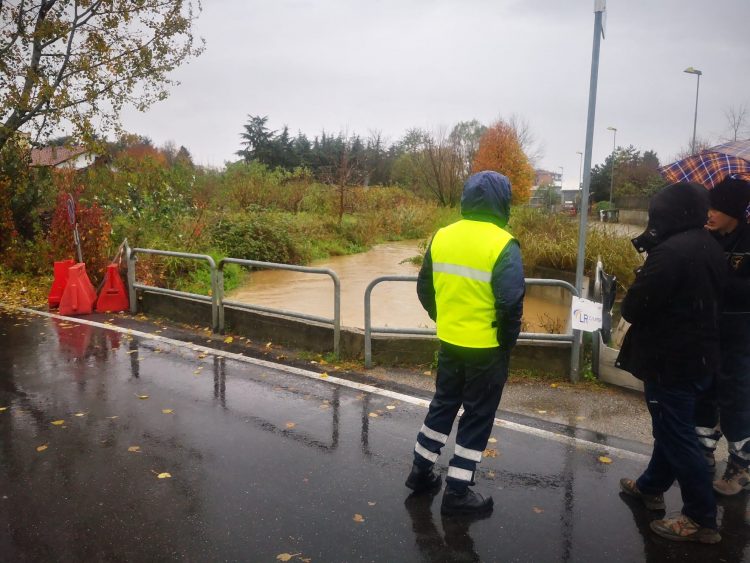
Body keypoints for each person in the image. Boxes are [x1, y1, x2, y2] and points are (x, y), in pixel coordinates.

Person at [404, 170, 524, 516]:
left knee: (442, 404)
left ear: (466, 198)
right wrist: (506, 341)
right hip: (487, 350)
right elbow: (510, 301)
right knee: (477, 416)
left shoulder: (442, 236)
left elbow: (424, 289)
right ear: (504, 202)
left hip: (450, 342)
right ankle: (457, 492)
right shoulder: (503, 243)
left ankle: (420, 471)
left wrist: (445, 320)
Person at [615, 182, 726, 544]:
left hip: (669, 362)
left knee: (676, 435)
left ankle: (699, 518)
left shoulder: (671, 253)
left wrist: (642, 278)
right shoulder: (710, 246)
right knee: (671, 428)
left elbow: (634, 308)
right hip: (699, 358)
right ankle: (650, 486)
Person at [694, 176, 750, 495]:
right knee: (704, 392)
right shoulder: (707, 238)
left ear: (734, 211)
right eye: (709, 206)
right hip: (708, 334)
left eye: (717, 208)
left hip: (740, 339)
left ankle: (740, 466)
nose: (710, 213)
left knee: (737, 400)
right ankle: (703, 453)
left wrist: (720, 279)